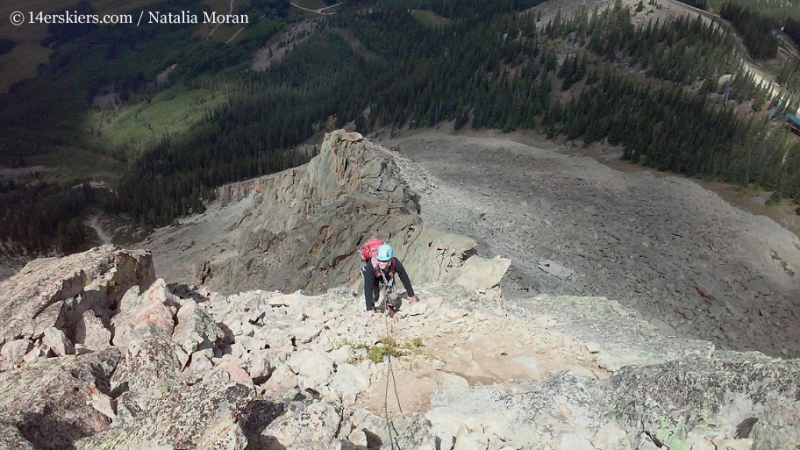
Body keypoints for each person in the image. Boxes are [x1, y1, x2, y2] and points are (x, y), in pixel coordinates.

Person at [363, 243, 417, 319]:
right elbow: (367, 286)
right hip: (375, 278)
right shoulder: (371, 266)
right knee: (374, 296)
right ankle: (372, 305)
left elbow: (404, 277)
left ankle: (390, 305)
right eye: (379, 260)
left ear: (389, 260)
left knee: (393, 297)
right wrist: (369, 308)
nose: (381, 263)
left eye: (384, 261)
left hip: (388, 277)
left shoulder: (395, 263)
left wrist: (411, 295)